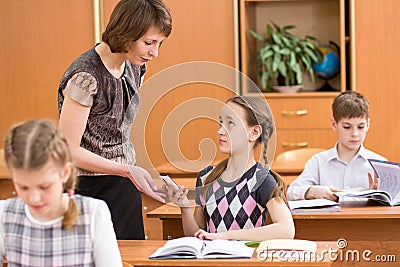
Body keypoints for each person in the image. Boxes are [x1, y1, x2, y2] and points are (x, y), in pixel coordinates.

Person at [57, 0, 172, 239]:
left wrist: (143, 174)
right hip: (86, 189)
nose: (155, 52)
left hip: (122, 183)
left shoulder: (134, 66)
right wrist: (128, 170)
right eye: (149, 43)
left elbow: (119, 134)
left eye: (159, 43)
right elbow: (68, 149)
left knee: (130, 257)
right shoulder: (85, 76)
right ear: (127, 35)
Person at [165, 96, 295, 241]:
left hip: (244, 261)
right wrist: (185, 209)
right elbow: (197, 235)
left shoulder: (261, 180)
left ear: (254, 133)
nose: (220, 131)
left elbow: (287, 230)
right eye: (221, 123)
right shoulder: (206, 177)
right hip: (211, 260)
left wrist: (222, 237)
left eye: (231, 123)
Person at [0, 119, 122, 267]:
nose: (34, 198)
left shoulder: (93, 213)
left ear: (65, 173)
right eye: (23, 187)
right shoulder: (4, 213)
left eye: (44, 187)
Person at [287, 91, 387, 201]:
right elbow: (291, 192)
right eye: (347, 127)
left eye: (361, 127)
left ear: (368, 124)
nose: (355, 134)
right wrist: (311, 191)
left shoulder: (380, 164)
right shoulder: (318, 162)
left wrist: (379, 197)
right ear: (334, 124)